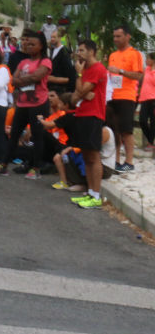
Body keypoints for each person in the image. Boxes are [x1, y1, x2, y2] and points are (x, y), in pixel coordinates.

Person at [0, 30, 51, 177]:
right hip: (22, 104)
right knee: (14, 134)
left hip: (39, 103)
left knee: (37, 136)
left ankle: (35, 168)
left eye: (33, 44)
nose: (29, 46)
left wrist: (22, 79)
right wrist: (27, 79)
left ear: (41, 46)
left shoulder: (45, 61)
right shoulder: (23, 62)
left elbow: (38, 76)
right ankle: (3, 165)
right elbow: (13, 80)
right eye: (27, 43)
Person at [59, 40, 108, 209]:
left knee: (94, 156)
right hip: (82, 114)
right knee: (86, 156)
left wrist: (79, 78)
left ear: (92, 52)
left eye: (82, 50)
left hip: (93, 116)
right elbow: (75, 97)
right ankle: (89, 191)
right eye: (78, 50)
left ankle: (96, 195)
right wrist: (82, 93)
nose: (78, 53)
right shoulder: (85, 70)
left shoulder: (97, 69)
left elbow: (81, 91)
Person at [106, 24, 144, 172]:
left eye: (118, 36)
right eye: (114, 36)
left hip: (127, 96)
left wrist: (121, 71)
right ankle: (115, 160)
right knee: (113, 129)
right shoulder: (113, 55)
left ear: (127, 36)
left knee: (126, 130)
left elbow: (138, 75)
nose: (115, 39)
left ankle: (129, 161)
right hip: (112, 96)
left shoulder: (134, 54)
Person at [47, 29, 77, 95]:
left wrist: (53, 79)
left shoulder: (64, 52)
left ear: (59, 38)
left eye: (54, 37)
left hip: (60, 90)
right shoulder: (52, 50)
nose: (52, 39)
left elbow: (69, 75)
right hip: (51, 88)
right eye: (51, 37)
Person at [138, 53, 155, 152]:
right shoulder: (147, 69)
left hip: (153, 99)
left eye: (148, 59)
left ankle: (150, 143)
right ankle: (150, 141)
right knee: (142, 120)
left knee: (153, 122)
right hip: (144, 99)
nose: (146, 60)